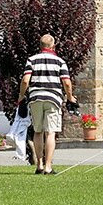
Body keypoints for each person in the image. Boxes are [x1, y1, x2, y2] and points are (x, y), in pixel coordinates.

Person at [17, 33, 76, 175]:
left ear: (40, 45)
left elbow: (25, 80)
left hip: (36, 98)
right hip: (53, 99)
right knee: (50, 132)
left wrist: (21, 96)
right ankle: (49, 166)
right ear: (53, 45)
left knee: (38, 131)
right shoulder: (59, 61)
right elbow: (66, 83)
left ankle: (40, 165)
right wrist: (70, 97)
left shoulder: (32, 60)